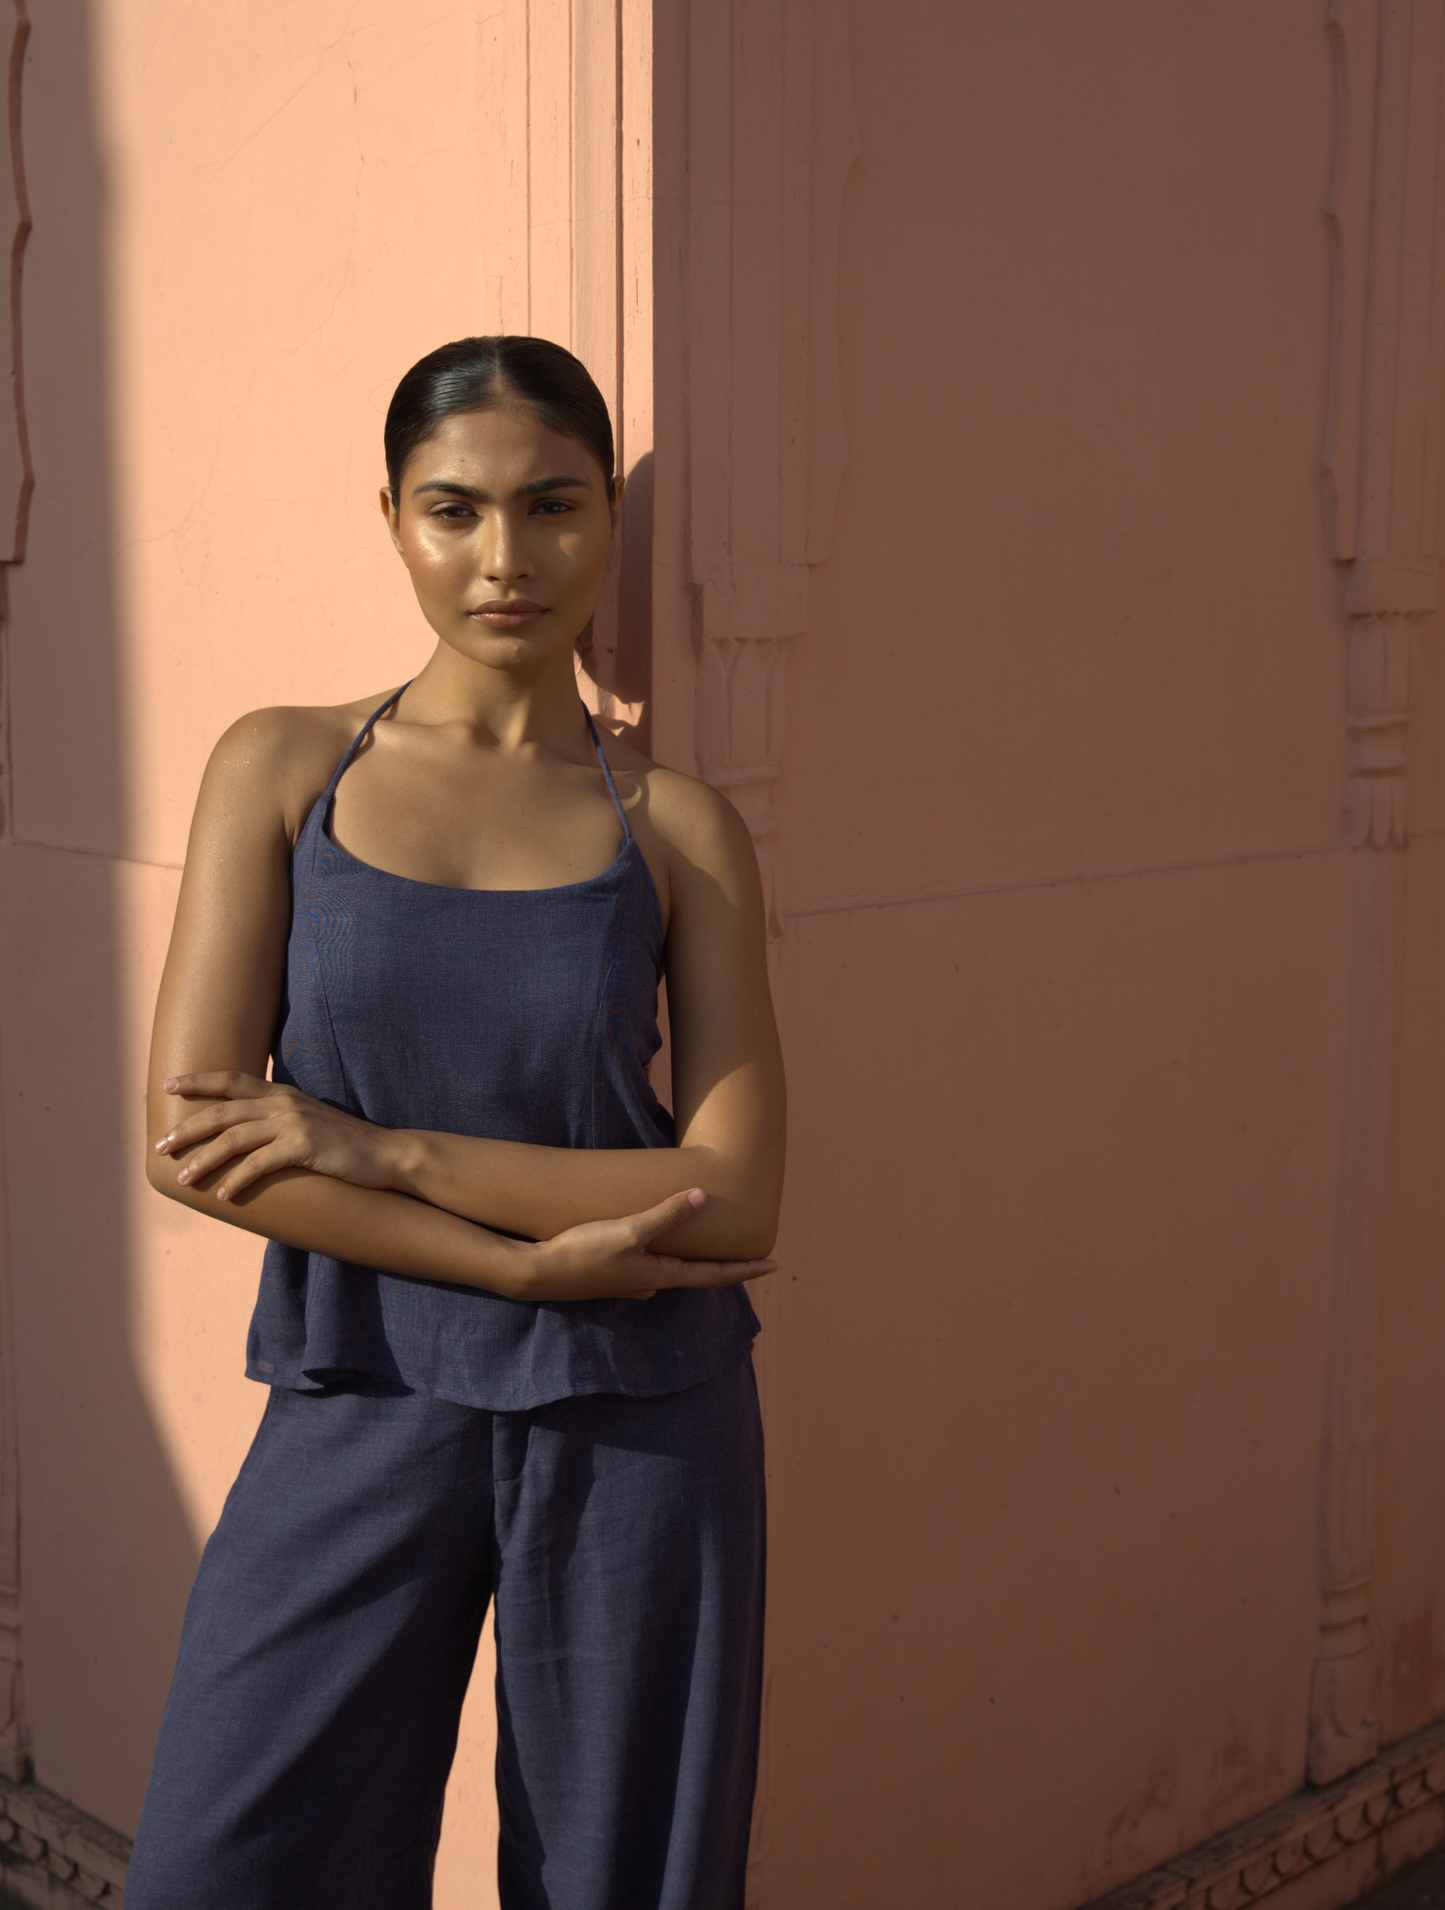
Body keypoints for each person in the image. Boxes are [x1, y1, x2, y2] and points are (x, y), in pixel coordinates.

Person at [125, 335, 786, 1910]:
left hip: (642, 1411)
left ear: (607, 529)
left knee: (618, 1878)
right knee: (229, 1861)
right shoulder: (285, 768)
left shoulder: (678, 825)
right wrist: (515, 1268)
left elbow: (736, 1194)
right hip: (364, 1386)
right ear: (394, 518)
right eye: (456, 509)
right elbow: (194, 1136)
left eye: (555, 506)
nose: (507, 558)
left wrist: (384, 1148)